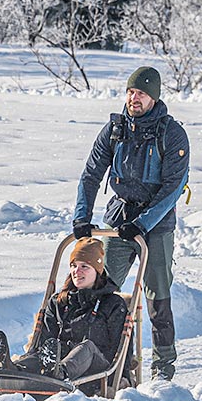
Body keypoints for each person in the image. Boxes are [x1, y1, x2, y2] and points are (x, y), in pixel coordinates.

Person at [71, 66, 189, 380]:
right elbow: (91, 175)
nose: (134, 99)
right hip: (119, 219)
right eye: (130, 92)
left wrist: (144, 223)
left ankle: (163, 366)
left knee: (156, 295)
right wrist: (82, 216)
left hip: (156, 223)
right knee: (100, 288)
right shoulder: (115, 128)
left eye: (141, 94)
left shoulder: (171, 134)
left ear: (154, 98)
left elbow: (173, 188)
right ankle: (91, 357)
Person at [0, 238, 128, 389]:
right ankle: (13, 370)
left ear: (97, 270)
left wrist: (122, 378)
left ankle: (60, 374)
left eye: (84, 266)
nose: (77, 271)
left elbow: (119, 351)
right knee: (46, 350)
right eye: (74, 266)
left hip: (98, 369)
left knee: (86, 347)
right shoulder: (59, 302)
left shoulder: (113, 303)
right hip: (59, 361)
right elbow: (43, 344)